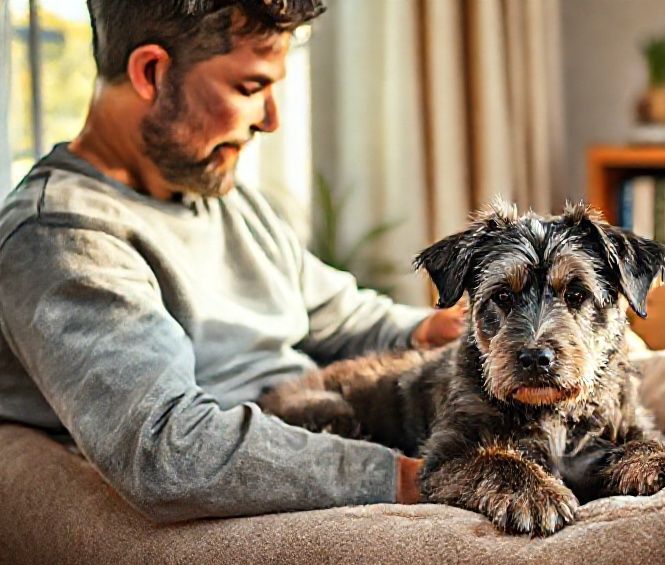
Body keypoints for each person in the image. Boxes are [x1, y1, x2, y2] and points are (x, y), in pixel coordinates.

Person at [0, 0, 463, 523]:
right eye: (250, 87)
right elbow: (167, 448)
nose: (271, 119)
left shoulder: (221, 196)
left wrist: (432, 328)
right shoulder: (61, 235)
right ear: (151, 72)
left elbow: (337, 313)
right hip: (282, 487)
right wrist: (407, 478)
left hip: (339, 421)